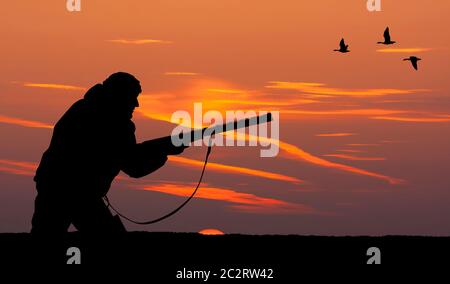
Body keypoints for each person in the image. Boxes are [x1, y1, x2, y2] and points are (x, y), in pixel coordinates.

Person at [31, 72, 185, 237]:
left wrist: (162, 149)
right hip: (78, 195)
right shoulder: (115, 123)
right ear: (119, 95)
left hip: (55, 187)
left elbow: (129, 157)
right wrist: (164, 151)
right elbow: (134, 166)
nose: (136, 103)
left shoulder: (82, 108)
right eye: (132, 96)